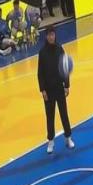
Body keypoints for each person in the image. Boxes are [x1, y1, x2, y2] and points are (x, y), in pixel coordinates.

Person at [37, 26, 75, 154]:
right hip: (48, 90)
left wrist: (67, 85)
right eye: (49, 35)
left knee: (64, 114)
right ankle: (51, 141)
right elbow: (40, 73)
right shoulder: (42, 53)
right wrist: (43, 90)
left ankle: (68, 138)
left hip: (59, 88)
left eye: (52, 34)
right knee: (50, 116)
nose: (51, 37)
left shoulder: (60, 49)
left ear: (55, 35)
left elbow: (65, 68)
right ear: (46, 36)